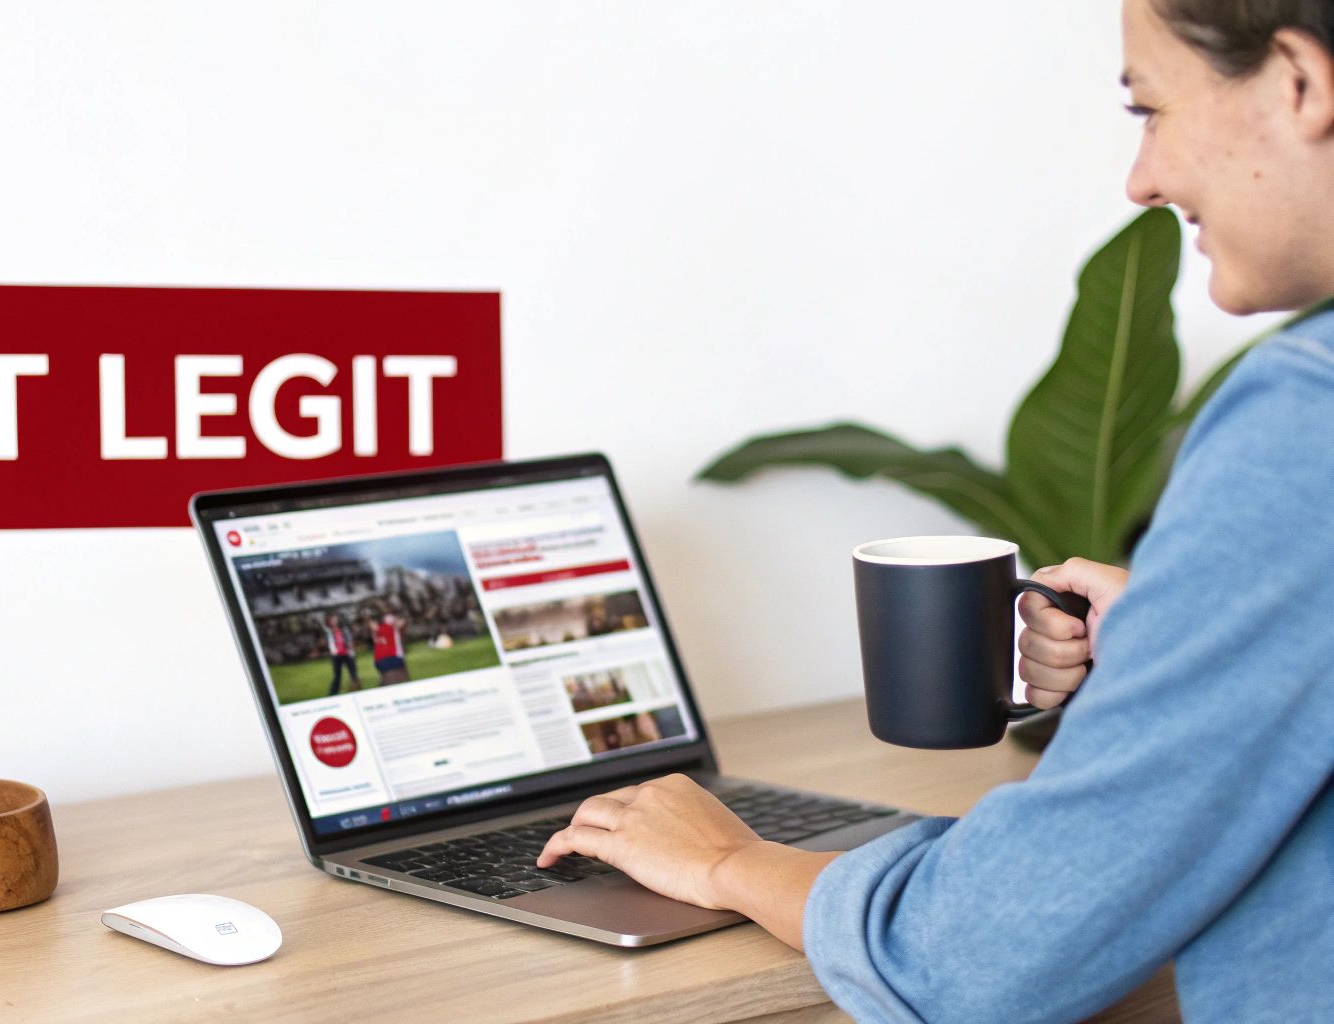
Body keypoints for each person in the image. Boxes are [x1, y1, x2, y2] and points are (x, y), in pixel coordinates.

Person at [536, 2, 1334, 1020]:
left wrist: (728, 859)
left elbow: (979, 955)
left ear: (1297, 84)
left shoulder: (1304, 415)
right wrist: (1191, 643)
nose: (1141, 180)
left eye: (1151, 110)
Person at [321, 613, 360, 695]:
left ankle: (357, 690)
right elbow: (323, 627)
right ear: (329, 621)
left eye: (335, 619)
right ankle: (333, 693)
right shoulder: (328, 631)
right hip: (336, 656)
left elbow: (349, 639)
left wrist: (351, 650)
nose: (334, 621)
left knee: (353, 673)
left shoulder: (344, 629)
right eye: (332, 619)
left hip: (347, 654)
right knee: (337, 675)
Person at [372, 610, 410, 684]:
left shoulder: (380, 628)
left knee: (388, 679)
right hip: (392, 659)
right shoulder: (392, 628)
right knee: (401, 679)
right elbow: (401, 623)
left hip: (379, 661)